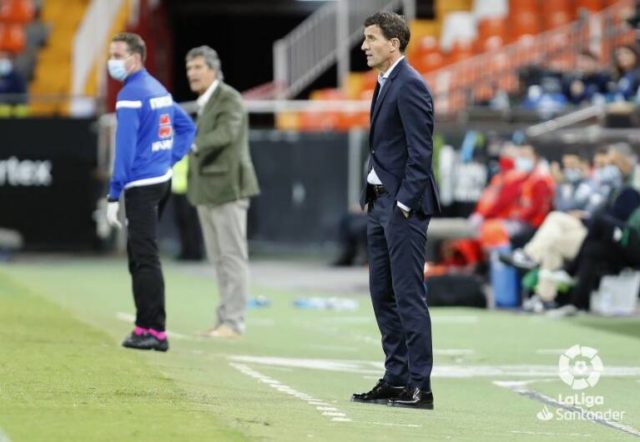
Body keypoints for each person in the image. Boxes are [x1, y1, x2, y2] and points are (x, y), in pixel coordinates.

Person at [351, 11, 440, 410]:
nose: (364, 45)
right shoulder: (387, 82)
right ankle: (396, 378)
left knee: (407, 296)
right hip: (380, 204)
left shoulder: (411, 85)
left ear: (394, 43)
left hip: (402, 207)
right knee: (382, 293)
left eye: (371, 38)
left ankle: (420, 387)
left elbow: (422, 154)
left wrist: (403, 203)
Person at [105, 33, 196, 352]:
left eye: (117, 55)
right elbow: (187, 128)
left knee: (144, 257)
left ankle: (153, 330)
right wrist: (168, 158)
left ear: (134, 58)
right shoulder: (157, 88)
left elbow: (124, 150)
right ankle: (148, 325)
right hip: (161, 179)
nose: (112, 61)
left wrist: (113, 194)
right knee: (141, 254)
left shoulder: (131, 94)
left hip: (141, 186)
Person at [185, 46, 260, 339]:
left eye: (198, 68)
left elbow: (226, 134)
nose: (192, 73)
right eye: (189, 68)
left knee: (232, 257)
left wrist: (191, 142)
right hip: (208, 189)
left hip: (229, 187)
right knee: (219, 259)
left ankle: (234, 322)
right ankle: (223, 320)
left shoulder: (228, 97)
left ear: (213, 70)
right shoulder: (207, 100)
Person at [171, 156, 204, 261]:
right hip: (176, 188)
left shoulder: (187, 146)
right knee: (181, 221)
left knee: (191, 221)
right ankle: (186, 250)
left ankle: (196, 251)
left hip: (189, 188)